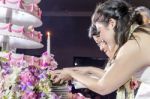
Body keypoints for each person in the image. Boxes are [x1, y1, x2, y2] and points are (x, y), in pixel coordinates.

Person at [51, 0, 150, 98]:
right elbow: (109, 75)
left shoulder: (133, 44)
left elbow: (103, 87)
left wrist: (71, 73)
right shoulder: (138, 35)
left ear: (112, 23)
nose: (101, 38)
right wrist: (74, 71)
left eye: (99, 30)